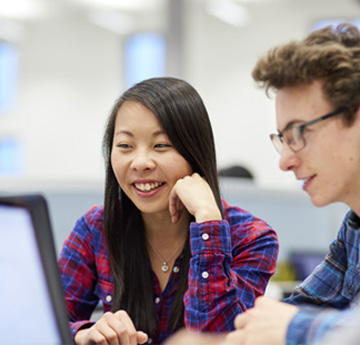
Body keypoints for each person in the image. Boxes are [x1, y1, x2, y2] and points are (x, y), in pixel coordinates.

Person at [165, 22, 360, 345]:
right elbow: (288, 315)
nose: (284, 161)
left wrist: (291, 327)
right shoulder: (354, 228)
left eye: (299, 133)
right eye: (282, 139)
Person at [58, 77, 278, 345]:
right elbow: (44, 324)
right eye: (125, 146)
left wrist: (208, 221)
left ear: (195, 151)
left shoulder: (251, 237)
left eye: (161, 145)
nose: (140, 163)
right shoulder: (97, 227)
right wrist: (83, 334)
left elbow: (215, 337)